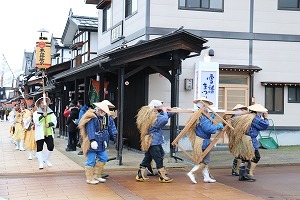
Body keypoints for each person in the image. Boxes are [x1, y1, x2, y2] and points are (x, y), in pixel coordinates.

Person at [78, 101, 118, 184]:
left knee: (104, 157)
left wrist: (113, 136)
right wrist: (92, 140)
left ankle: (97, 175)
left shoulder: (105, 117)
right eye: (102, 111)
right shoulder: (92, 118)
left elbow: (110, 127)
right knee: (91, 160)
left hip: (102, 141)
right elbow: (90, 129)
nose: (103, 112)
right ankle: (90, 178)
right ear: (99, 110)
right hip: (92, 141)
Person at [186, 97, 224, 184]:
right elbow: (208, 129)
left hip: (203, 140)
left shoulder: (202, 114)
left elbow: (206, 126)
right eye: (206, 105)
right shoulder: (201, 116)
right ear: (203, 105)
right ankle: (192, 173)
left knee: (203, 160)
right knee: (204, 160)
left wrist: (211, 119)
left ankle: (206, 177)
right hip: (202, 141)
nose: (208, 107)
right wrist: (218, 127)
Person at [135, 99, 174, 183]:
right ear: (155, 107)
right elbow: (163, 120)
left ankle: (140, 174)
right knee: (158, 157)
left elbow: (162, 116)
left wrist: (171, 111)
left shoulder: (151, 113)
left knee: (149, 157)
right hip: (152, 140)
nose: (161, 108)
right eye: (159, 107)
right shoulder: (150, 116)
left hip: (154, 139)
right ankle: (162, 176)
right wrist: (164, 111)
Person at [238, 103, 269, 182]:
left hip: (243, 138)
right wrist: (265, 118)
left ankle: (242, 174)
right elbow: (265, 125)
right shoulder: (255, 118)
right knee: (256, 157)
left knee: (245, 157)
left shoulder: (246, 116)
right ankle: (249, 173)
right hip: (250, 140)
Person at [33, 96, 57, 169]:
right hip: (40, 133)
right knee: (39, 148)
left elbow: (54, 121)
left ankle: (45, 159)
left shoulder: (51, 112)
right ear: (39, 104)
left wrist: (49, 124)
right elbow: (36, 122)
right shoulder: (36, 113)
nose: (44, 104)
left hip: (48, 132)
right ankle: (40, 163)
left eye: (45, 102)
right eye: (42, 103)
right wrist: (43, 116)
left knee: (51, 146)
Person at [229, 104, 248, 176]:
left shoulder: (235, 116)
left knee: (239, 154)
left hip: (239, 136)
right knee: (239, 154)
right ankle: (235, 170)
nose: (243, 110)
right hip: (238, 136)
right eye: (241, 109)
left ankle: (236, 169)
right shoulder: (237, 116)